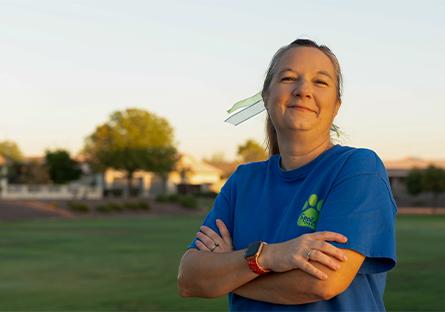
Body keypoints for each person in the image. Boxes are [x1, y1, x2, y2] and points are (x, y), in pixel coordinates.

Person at [177, 39, 397, 311]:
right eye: (289, 77)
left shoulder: (357, 167)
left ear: (336, 105)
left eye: (320, 82)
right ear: (266, 97)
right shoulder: (243, 181)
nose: (303, 90)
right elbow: (189, 278)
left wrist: (229, 273)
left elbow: (322, 282)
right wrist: (270, 256)